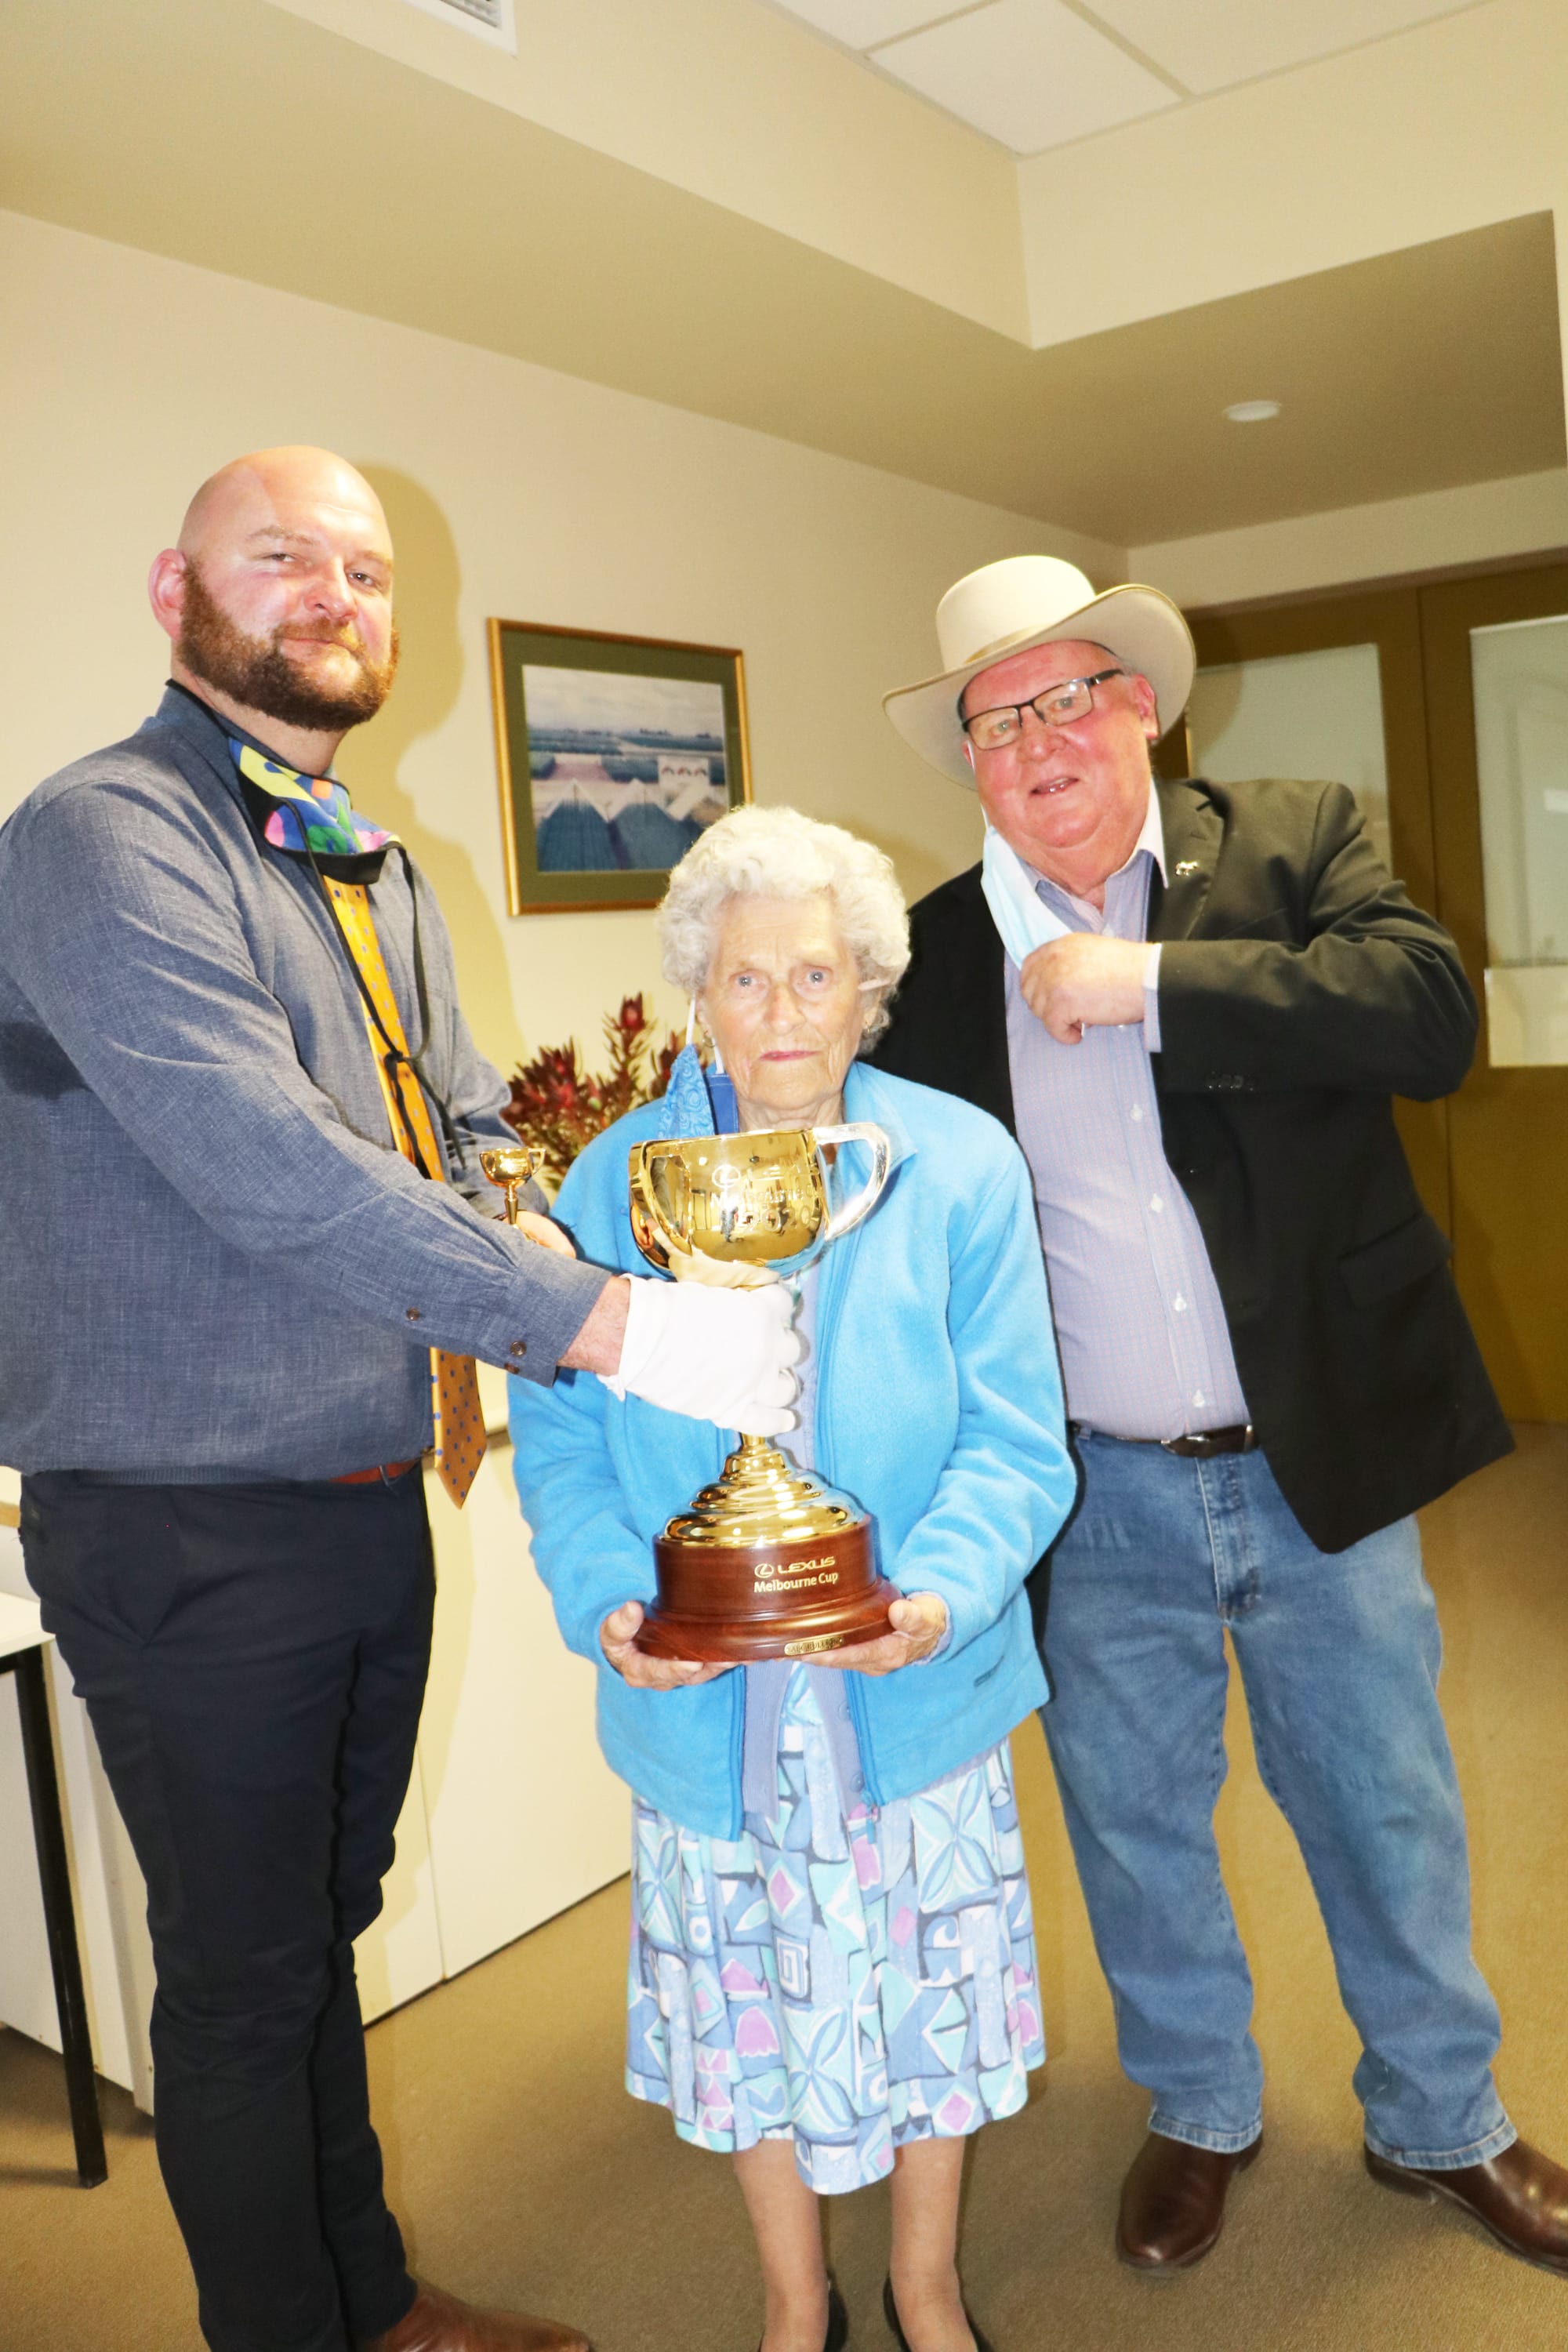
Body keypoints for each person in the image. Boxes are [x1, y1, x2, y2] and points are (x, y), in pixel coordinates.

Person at [0, 448, 801, 2352]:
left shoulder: (372, 862)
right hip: (186, 1510)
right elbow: (269, 1160)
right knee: (241, 1976)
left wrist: (581, 1227)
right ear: (172, 589)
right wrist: (608, 1329)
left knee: (314, 1939)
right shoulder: (101, 837)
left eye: (362, 571)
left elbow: (442, 1129)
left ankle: (365, 2299)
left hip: (365, 1479)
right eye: (281, 557)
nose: (333, 596)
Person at [873, 554, 1568, 2278]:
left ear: (1140, 706)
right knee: (1130, 1819)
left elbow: (1425, 1017)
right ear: (967, 759)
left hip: (1314, 1451)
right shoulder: (929, 953)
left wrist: (1156, 986)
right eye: (995, 716)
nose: (1037, 741)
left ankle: (1442, 2119)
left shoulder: (1293, 838)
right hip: (1088, 1491)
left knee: (1382, 1800)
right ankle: (1196, 2105)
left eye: (1067, 696)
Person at [511, 805, 1076, 2352]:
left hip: (912, 1682)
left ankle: (924, 2286)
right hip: (712, 1704)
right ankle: (787, 2298)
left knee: (932, 2012)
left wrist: (943, 1591)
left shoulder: (954, 1161)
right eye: (746, 981)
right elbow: (557, 1447)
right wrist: (610, 1605)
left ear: (867, 993)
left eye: (814, 979)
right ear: (698, 989)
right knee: (748, 2012)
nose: (781, 1017)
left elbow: (1020, 1442)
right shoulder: (616, 1184)